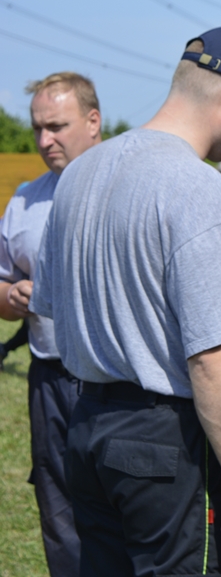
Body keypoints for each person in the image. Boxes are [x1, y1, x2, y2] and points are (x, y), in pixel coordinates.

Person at [30, 26, 221, 576]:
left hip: (86, 425)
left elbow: (50, 305)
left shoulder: (77, 175)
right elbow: (213, 354)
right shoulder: (195, 185)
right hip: (164, 440)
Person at [0, 71, 102, 577]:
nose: (44, 141)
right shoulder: (24, 199)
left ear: (93, 121)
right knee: (59, 508)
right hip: (49, 376)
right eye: (38, 128)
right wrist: (11, 297)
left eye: (57, 126)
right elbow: (2, 282)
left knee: (121, 506)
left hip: (115, 380)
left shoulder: (122, 185)